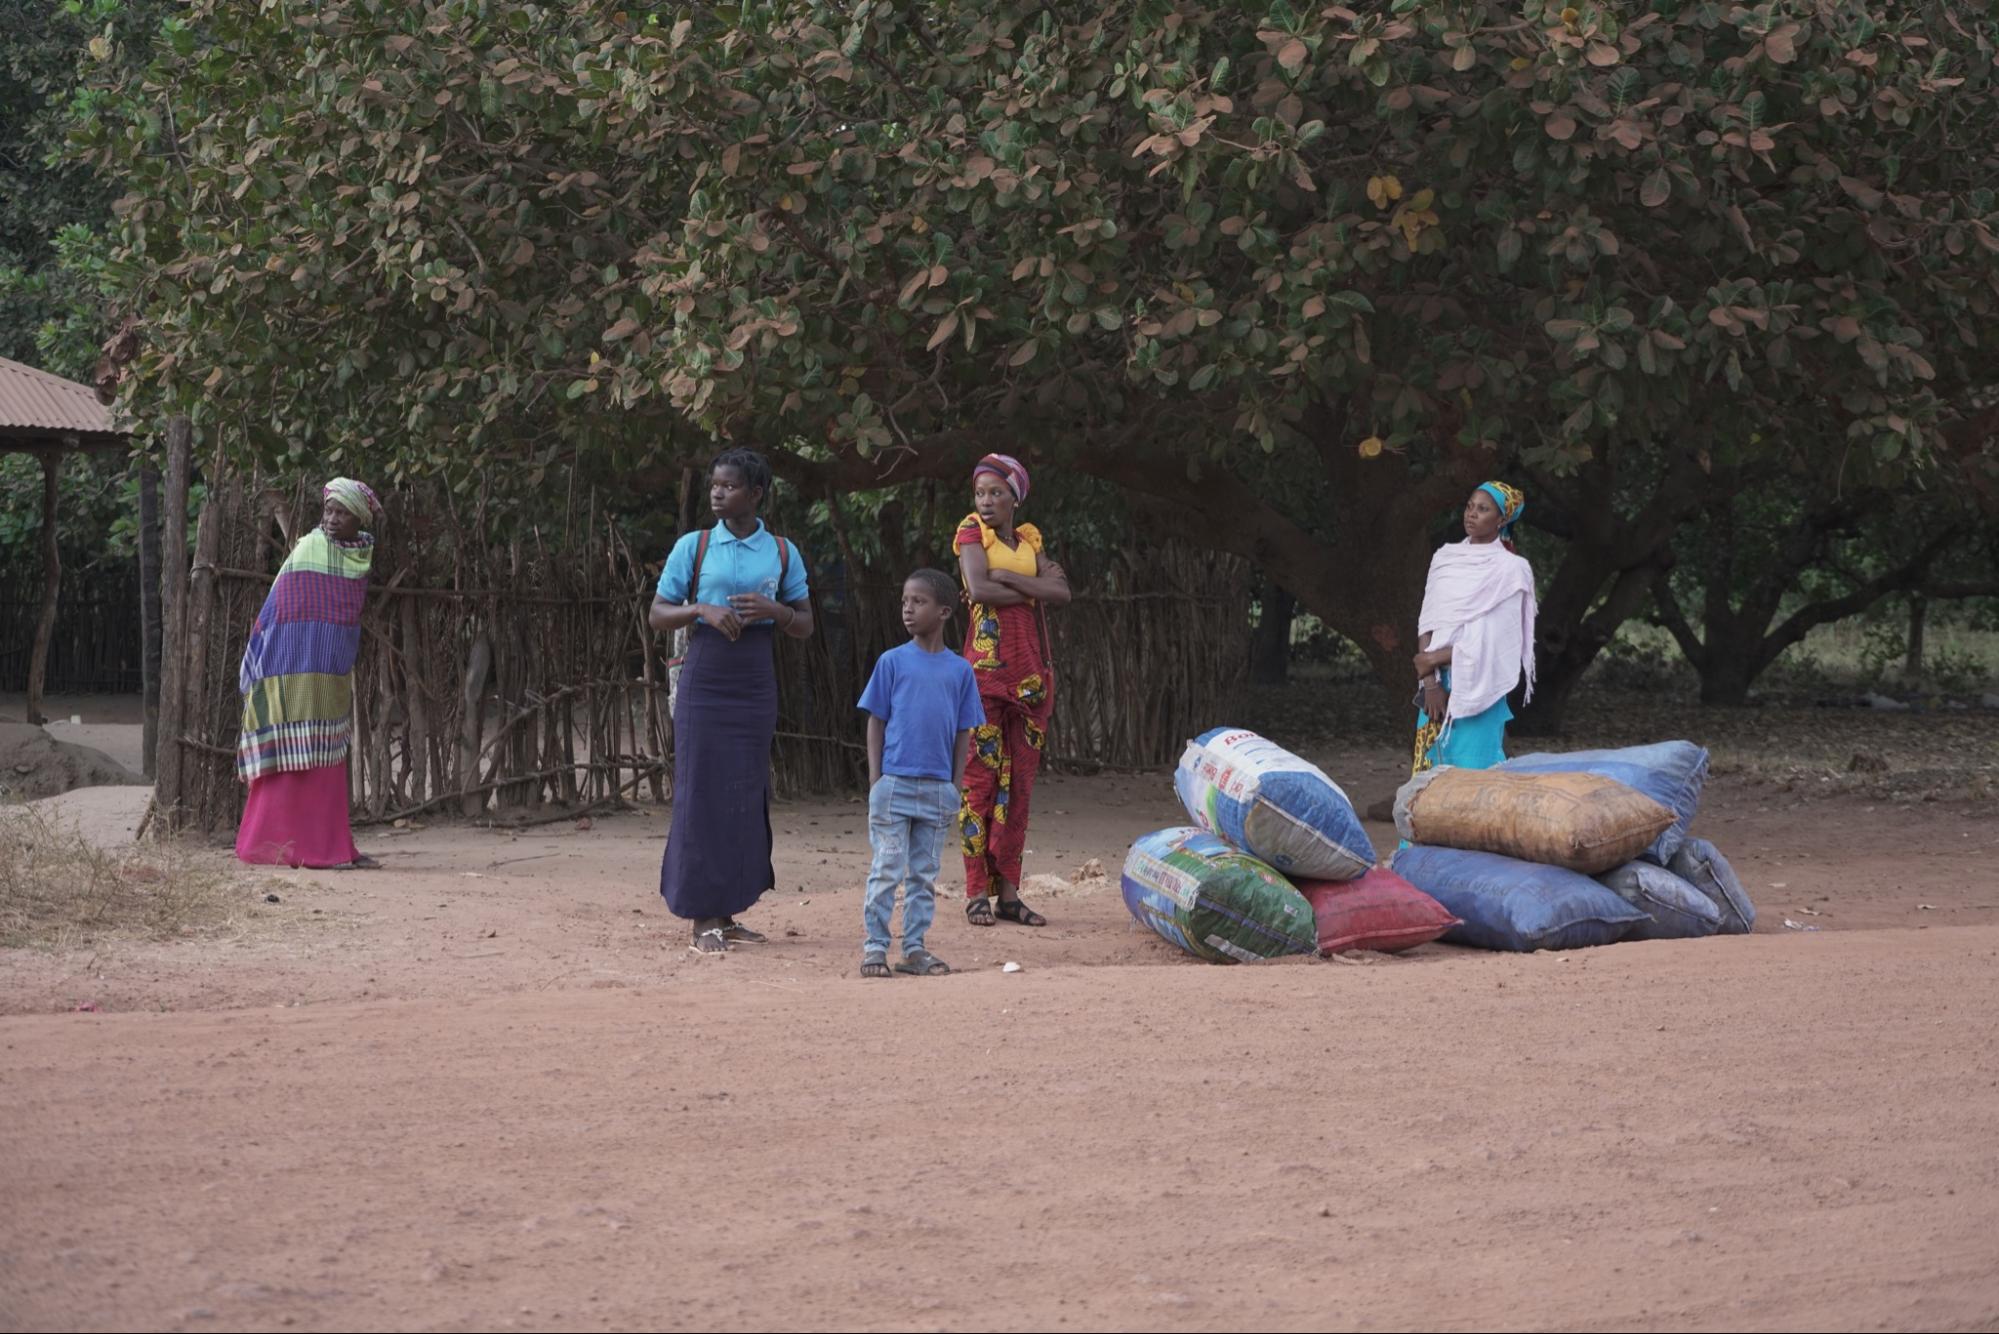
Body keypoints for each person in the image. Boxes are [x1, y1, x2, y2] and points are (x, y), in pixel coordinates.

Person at [648, 447, 814, 955]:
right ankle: (703, 916)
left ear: (756, 494)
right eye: (714, 485)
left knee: (744, 792)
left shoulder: (782, 552)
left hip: (754, 678)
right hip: (707, 676)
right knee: (701, 791)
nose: (717, 492)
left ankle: (731, 910)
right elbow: (658, 613)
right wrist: (700, 609)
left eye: (729, 486)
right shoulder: (694, 547)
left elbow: (805, 624)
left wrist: (775, 610)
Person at [234, 478, 382, 869]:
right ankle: (271, 847)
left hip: (331, 667)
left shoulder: (360, 554)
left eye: (342, 513)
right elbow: (280, 606)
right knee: (292, 750)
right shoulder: (310, 547)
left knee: (326, 753)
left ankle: (332, 847)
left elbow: (343, 614)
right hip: (291, 668)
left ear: (359, 519)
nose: (332, 520)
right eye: (328, 510)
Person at [953, 452, 1070, 927]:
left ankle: (1009, 894)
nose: (985, 501)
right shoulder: (969, 533)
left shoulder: (1028, 540)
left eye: (996, 493)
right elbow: (978, 590)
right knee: (978, 784)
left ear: (1014, 499)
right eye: (980, 493)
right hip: (982, 678)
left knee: (1019, 788)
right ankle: (974, 892)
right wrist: (1030, 588)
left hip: (1031, 679)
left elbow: (1062, 592)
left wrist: (1011, 579)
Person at [855, 569, 985, 978]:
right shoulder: (891, 662)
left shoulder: (961, 671)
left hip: (937, 790)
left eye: (919, 602)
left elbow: (964, 730)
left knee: (923, 876)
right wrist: (877, 782)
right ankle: (875, 947)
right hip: (893, 786)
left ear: (944, 611)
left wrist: (954, 784)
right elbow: (876, 722)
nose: (908, 609)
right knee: (886, 870)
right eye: (905, 602)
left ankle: (914, 948)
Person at [1410, 480, 1537, 775]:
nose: (1471, 514)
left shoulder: (1511, 569)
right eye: (1469, 507)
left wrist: (1432, 658)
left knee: (1474, 775)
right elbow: (1427, 621)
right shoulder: (1444, 558)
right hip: (1435, 685)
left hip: (1482, 683)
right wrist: (1430, 683)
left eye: (1483, 509)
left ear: (1502, 519)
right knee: (1431, 774)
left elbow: (1497, 640)